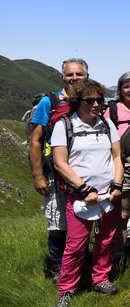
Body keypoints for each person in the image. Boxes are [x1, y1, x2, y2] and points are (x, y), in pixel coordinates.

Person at [50, 79, 123, 307]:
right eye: (90, 100)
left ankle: (100, 279)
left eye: (99, 100)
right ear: (77, 101)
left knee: (106, 240)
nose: (96, 104)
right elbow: (60, 163)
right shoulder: (65, 126)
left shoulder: (106, 123)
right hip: (81, 197)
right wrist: (84, 189)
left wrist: (117, 184)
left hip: (108, 196)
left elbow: (117, 157)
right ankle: (66, 290)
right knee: (76, 245)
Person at [28, 58, 89, 281]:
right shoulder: (49, 102)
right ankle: (58, 270)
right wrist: (38, 176)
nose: (74, 78)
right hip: (55, 173)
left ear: (87, 76)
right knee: (57, 224)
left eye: (79, 74)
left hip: (84, 173)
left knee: (82, 221)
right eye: (70, 74)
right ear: (63, 76)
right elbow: (35, 140)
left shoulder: (89, 100)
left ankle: (78, 266)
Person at [103, 71, 130, 271]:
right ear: (120, 90)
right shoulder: (111, 110)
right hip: (122, 168)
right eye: (126, 86)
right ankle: (118, 255)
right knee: (121, 214)